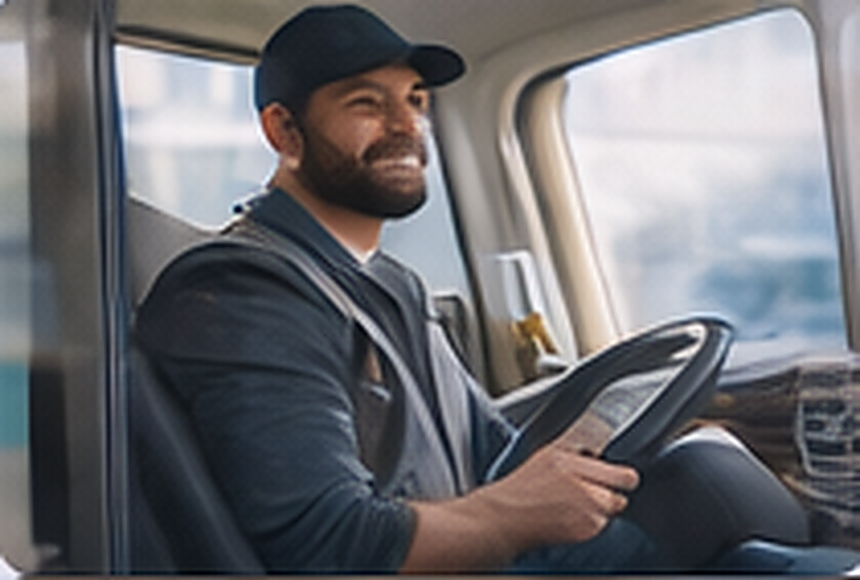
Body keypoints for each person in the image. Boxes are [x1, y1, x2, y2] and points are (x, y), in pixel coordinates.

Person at [134, 4, 841, 574]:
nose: (407, 123)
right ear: (283, 130)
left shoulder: (388, 285)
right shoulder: (244, 291)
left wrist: (588, 444)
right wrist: (512, 513)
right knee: (708, 492)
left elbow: (492, 451)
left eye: (415, 100)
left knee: (725, 498)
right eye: (366, 102)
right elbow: (329, 547)